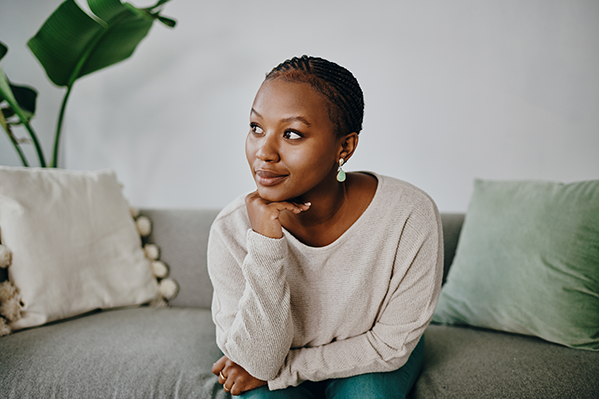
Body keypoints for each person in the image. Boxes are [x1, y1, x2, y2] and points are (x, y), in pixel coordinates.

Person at [208, 55, 443, 398]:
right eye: (256, 128)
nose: (264, 152)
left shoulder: (409, 216)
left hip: (372, 359)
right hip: (272, 358)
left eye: (291, 134)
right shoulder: (231, 229)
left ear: (344, 147)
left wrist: (288, 371)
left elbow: (389, 347)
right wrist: (265, 242)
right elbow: (257, 363)